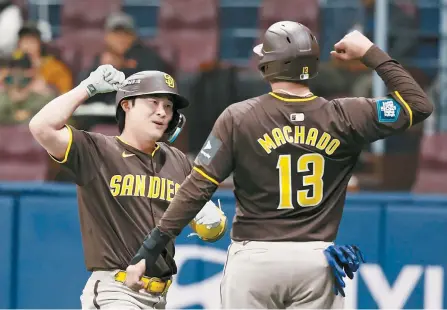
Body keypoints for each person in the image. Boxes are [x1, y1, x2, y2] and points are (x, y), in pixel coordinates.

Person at [123, 21, 434, 309]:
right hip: (316, 260)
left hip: (254, 259)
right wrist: (369, 53)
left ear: (267, 65)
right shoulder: (346, 115)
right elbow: (419, 104)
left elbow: (198, 187)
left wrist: (151, 248)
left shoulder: (238, 117)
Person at [29, 65, 228, 309]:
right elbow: (41, 127)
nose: (162, 112)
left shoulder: (177, 160)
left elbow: (208, 227)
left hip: (161, 296)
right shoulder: (96, 150)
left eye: (168, 106)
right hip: (116, 291)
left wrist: (211, 222)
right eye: (153, 102)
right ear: (127, 105)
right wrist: (87, 88)